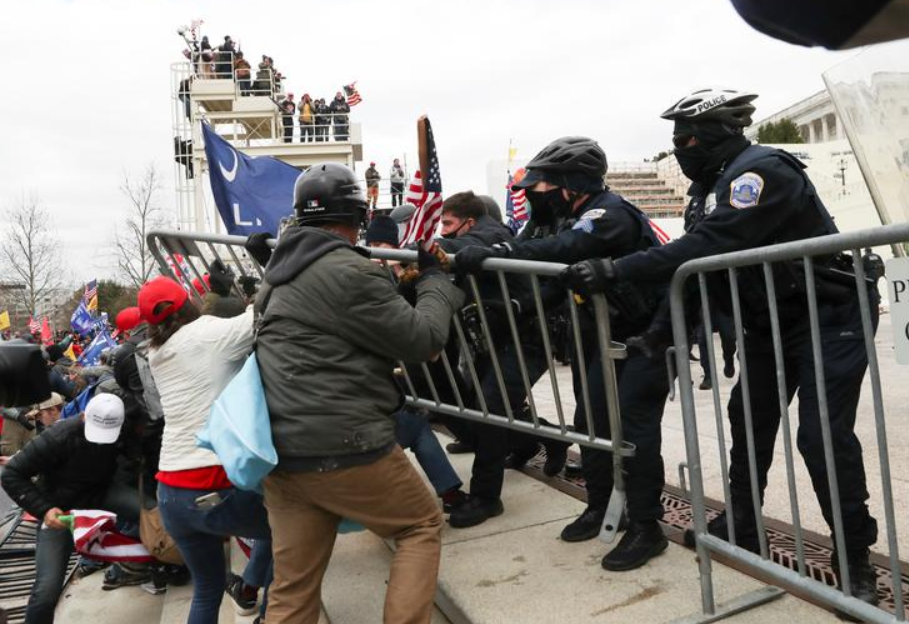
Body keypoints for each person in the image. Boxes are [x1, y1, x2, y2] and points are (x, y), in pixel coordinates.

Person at [561, 88, 881, 605]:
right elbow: (696, 277)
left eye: (686, 137)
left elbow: (712, 245)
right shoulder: (708, 187)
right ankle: (742, 519)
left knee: (821, 435)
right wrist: (660, 334)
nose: (680, 148)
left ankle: (853, 556)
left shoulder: (764, 171)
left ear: (718, 133)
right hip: (767, 320)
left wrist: (618, 268)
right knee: (747, 419)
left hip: (827, 316)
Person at [255, 162, 464, 623]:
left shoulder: (274, 275)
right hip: (343, 442)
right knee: (420, 524)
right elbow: (423, 340)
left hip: (281, 450)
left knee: (292, 586)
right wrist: (435, 283)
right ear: (359, 215)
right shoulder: (353, 271)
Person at [457, 137, 670, 570]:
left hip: (643, 340)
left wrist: (498, 251)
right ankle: (599, 506)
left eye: (539, 186)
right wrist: (519, 308)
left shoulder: (607, 213)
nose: (533, 195)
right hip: (598, 339)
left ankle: (648, 527)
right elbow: (561, 280)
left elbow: (567, 250)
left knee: (633, 432)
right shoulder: (573, 216)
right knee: (588, 424)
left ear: (570, 183)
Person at [139, 270, 272, 624]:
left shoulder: (157, 352)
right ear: (187, 304)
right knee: (290, 528)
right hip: (211, 482)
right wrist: (270, 268)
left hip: (171, 492)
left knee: (208, 590)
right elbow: (261, 314)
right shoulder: (206, 333)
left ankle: (248, 589)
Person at [434, 191, 569, 529]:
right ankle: (547, 439)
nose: (444, 230)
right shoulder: (476, 235)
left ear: (470, 220)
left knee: (492, 407)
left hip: (529, 338)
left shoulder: (491, 235)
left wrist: (430, 249)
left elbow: (467, 246)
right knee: (496, 407)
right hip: (498, 339)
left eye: (449, 223)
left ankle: (485, 496)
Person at [1, 394, 141, 624]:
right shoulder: (58, 436)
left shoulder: (124, 427)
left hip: (102, 491)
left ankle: (168, 565)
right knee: (47, 589)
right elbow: (12, 474)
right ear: (84, 416)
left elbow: (135, 456)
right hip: (61, 508)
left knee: (155, 515)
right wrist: (45, 510)